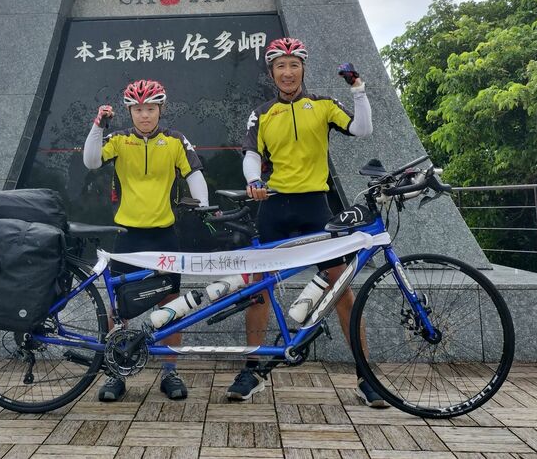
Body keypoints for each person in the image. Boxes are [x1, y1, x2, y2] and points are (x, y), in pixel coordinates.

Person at [226, 37, 387, 408]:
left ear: (303, 69)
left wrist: (358, 89)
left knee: (341, 289)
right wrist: (253, 181)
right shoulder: (262, 112)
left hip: (316, 207)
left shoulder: (324, 105)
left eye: (293, 65)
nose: (287, 72)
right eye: (280, 66)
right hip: (275, 207)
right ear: (272, 73)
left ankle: (366, 376)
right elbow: (252, 155)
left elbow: (361, 130)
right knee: (259, 290)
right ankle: (251, 369)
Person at [83, 78, 209, 402]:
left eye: (150, 108)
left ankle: (170, 373)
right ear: (130, 111)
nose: (144, 115)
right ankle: (115, 374)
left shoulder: (175, 140)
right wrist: (98, 125)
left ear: (160, 109)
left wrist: (204, 205)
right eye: (138, 109)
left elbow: (194, 172)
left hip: (164, 235)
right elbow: (91, 161)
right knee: (118, 308)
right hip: (128, 236)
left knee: (172, 305)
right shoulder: (120, 140)